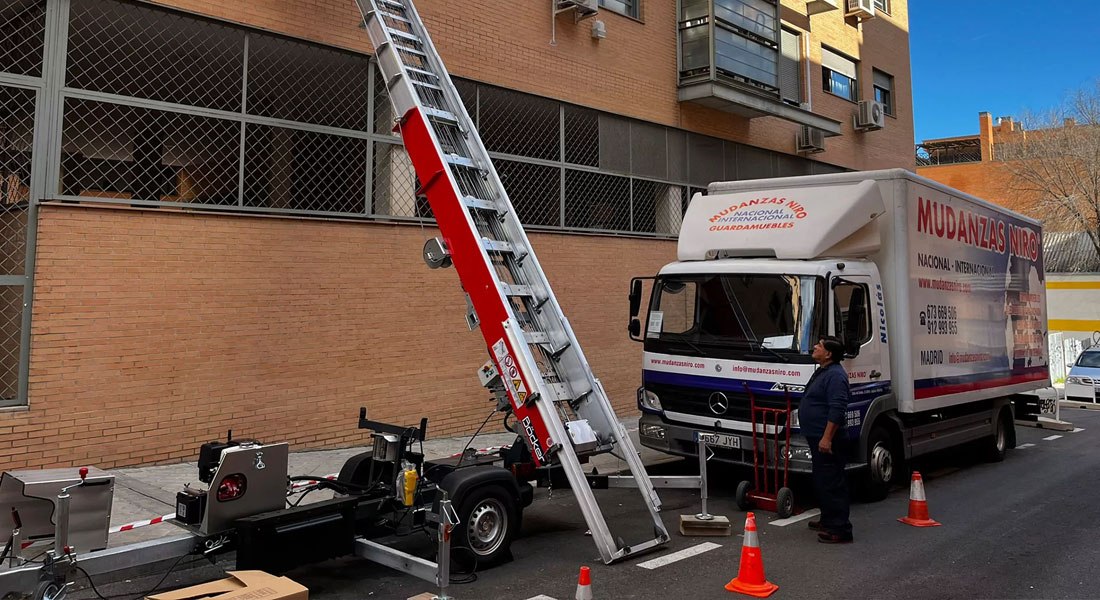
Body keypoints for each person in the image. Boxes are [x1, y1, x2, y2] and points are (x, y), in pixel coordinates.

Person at [799, 336, 854, 544]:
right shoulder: (824, 371)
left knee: (832, 482)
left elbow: (837, 409)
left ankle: (840, 529)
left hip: (828, 439)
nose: (815, 347)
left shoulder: (836, 376)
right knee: (822, 480)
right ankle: (828, 519)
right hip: (817, 436)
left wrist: (827, 438)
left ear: (829, 353)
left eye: (819, 346)